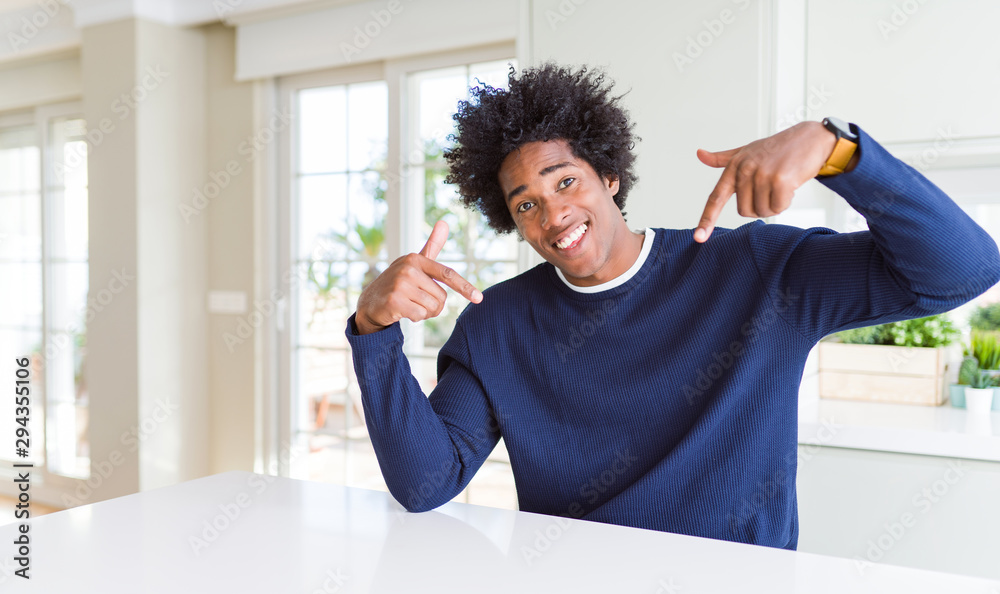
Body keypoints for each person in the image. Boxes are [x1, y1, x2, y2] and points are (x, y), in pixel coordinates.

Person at [345, 63, 1000, 551]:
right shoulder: (496, 324)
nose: (553, 214)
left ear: (608, 175)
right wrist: (374, 329)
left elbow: (962, 270)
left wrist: (841, 153)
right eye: (526, 204)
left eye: (565, 181)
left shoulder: (755, 271)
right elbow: (426, 482)